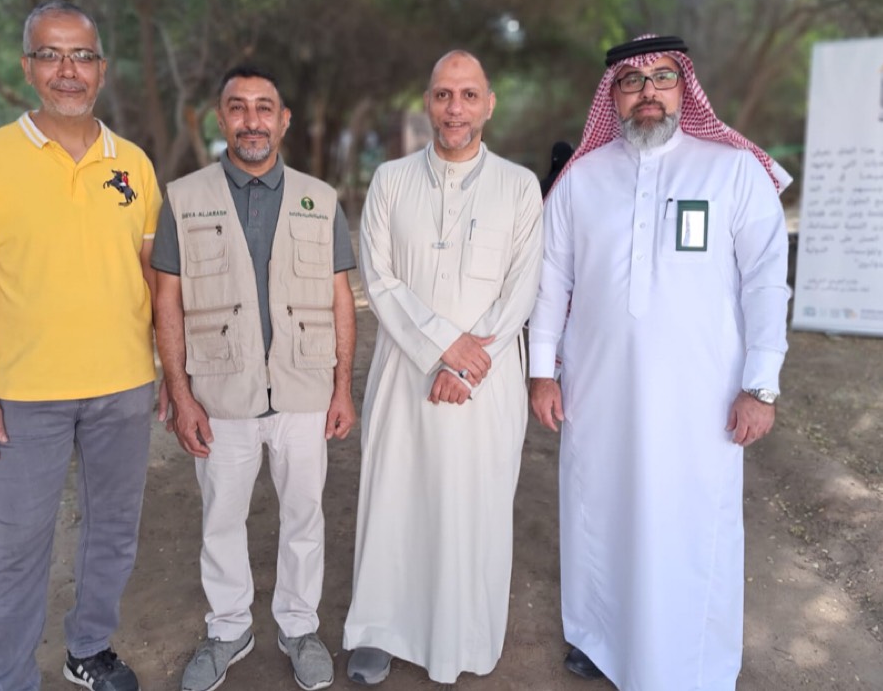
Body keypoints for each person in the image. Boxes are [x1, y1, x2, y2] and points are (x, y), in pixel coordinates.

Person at [528, 34, 791, 691]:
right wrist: (540, 371)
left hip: (700, 397)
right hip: (597, 391)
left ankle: (691, 660)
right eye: (632, 80)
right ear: (613, 95)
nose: (648, 91)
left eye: (663, 77)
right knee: (599, 511)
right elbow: (551, 281)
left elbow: (766, 282)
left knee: (690, 520)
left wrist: (760, 386)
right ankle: (597, 638)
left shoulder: (732, 171)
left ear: (684, 87)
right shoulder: (580, 179)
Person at [0, 0, 159, 691]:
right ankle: (7, 679)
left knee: (113, 531)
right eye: (51, 54)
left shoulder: (135, 164)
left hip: (124, 388)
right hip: (23, 397)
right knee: (17, 547)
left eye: (82, 55)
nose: (68, 70)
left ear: (102, 69)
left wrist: (172, 378)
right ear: (27, 67)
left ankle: (88, 649)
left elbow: (156, 278)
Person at [152, 65, 357, 691]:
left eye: (264, 107)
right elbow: (167, 300)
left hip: (303, 389)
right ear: (221, 119)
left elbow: (340, 298)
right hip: (220, 394)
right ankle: (228, 629)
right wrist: (180, 393)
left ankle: (299, 627)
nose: (252, 121)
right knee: (221, 520)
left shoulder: (320, 199)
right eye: (238, 107)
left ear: (283, 119)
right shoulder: (183, 198)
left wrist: (342, 388)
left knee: (304, 518)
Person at [343, 50, 543, 685]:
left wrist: (466, 365)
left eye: (468, 95)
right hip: (406, 373)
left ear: (488, 105)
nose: (455, 108)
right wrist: (441, 348)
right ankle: (379, 630)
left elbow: (522, 288)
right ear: (428, 103)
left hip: (485, 381)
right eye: (443, 95)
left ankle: (461, 638)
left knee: (473, 507)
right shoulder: (390, 180)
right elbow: (378, 278)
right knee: (395, 499)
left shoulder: (519, 186)